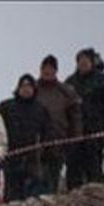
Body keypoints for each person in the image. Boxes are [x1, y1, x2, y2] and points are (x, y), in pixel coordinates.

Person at [0, 74, 52, 202]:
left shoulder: (40, 109)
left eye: (29, 86)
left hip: (33, 158)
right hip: (12, 156)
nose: (26, 89)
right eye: (23, 86)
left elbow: (47, 132)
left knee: (31, 194)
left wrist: (44, 151)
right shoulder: (6, 106)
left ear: (34, 89)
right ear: (18, 88)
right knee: (12, 193)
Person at [65, 48, 104, 188]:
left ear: (92, 62)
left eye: (86, 61)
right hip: (74, 135)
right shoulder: (70, 83)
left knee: (94, 171)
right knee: (73, 172)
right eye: (80, 61)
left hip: (96, 132)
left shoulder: (103, 81)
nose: (83, 64)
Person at [35, 55, 82, 194]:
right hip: (36, 144)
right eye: (44, 68)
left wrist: (76, 137)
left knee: (54, 177)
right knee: (37, 179)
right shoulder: (34, 89)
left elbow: (76, 116)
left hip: (59, 141)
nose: (47, 71)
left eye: (50, 68)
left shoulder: (66, 91)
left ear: (56, 71)